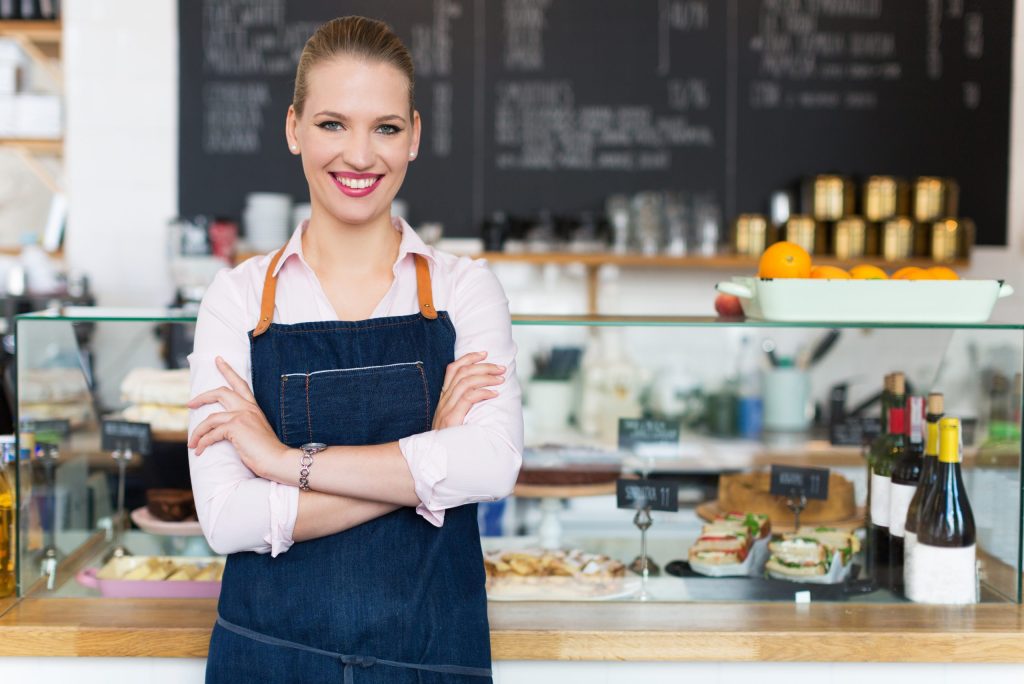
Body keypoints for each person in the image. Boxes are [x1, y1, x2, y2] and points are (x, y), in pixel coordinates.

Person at [186, 16, 523, 683]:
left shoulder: (467, 289)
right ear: (293, 128)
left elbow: (489, 466)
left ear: (415, 137)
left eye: (386, 128)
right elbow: (227, 519)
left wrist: (283, 463)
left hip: (430, 660)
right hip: (269, 660)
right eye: (333, 124)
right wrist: (428, 458)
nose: (361, 155)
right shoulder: (236, 299)